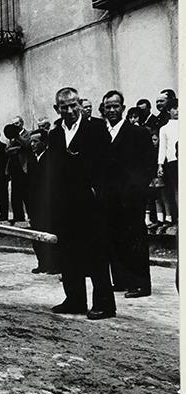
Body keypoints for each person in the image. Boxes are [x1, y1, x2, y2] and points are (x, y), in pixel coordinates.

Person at [48, 87, 115, 320]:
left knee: (96, 253)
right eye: (64, 107)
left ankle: (104, 304)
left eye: (74, 105)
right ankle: (75, 300)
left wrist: (99, 193)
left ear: (80, 104)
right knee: (68, 253)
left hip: (91, 203)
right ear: (57, 109)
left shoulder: (96, 128)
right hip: (65, 205)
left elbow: (108, 165)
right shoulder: (55, 134)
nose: (70, 110)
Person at [102, 90, 155, 298]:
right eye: (108, 107)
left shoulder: (138, 133)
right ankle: (121, 280)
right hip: (109, 197)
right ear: (104, 109)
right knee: (114, 237)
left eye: (116, 106)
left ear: (123, 108)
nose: (112, 110)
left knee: (135, 239)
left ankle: (141, 284)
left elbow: (149, 165)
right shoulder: (101, 134)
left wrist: (137, 188)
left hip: (132, 198)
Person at [27, 129, 59, 274]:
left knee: (51, 233)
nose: (32, 144)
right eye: (31, 141)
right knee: (37, 234)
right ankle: (42, 263)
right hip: (35, 205)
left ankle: (54, 264)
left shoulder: (51, 158)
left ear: (44, 143)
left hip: (50, 204)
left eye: (36, 141)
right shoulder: (32, 159)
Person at [4, 117, 30, 223]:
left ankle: (31, 216)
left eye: (17, 123)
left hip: (23, 168)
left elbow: (27, 145)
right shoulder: (11, 138)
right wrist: (17, 149)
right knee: (15, 195)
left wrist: (18, 137)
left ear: (22, 123)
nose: (16, 125)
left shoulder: (27, 134)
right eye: (14, 123)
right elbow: (7, 150)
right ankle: (18, 216)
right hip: (14, 169)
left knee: (27, 194)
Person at [157, 95, 178, 226]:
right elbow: (162, 148)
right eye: (174, 108)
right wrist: (160, 165)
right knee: (177, 189)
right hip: (173, 161)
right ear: (169, 110)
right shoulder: (164, 128)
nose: (177, 111)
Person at [147, 131, 167, 230]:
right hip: (151, 177)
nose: (153, 142)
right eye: (151, 140)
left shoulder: (160, 152)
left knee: (163, 196)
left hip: (159, 176)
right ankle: (159, 219)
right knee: (155, 198)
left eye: (155, 140)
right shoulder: (149, 151)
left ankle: (167, 218)